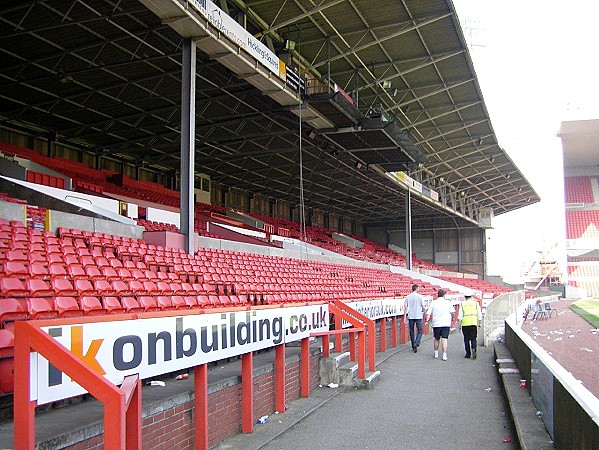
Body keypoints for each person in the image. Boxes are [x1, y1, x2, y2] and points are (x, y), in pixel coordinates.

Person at [426, 289, 455, 361]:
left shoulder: (433, 303)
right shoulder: (448, 302)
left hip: (436, 324)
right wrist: (452, 318)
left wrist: (426, 321)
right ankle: (444, 355)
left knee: (436, 338)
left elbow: (428, 313)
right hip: (445, 323)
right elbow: (453, 312)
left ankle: (436, 353)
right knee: (444, 339)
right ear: (444, 295)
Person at [458, 295, 482, 359]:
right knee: (473, 338)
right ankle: (474, 348)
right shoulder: (476, 304)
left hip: (465, 323)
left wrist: (459, 325)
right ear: (471, 297)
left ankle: (468, 354)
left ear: (465, 297)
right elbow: (479, 314)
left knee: (466, 339)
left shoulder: (462, 304)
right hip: (473, 323)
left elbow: (460, 316)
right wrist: (479, 323)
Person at [404, 284, 425, 353]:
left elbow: (405, 307)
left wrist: (404, 316)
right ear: (417, 289)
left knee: (411, 331)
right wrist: (425, 312)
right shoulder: (420, 297)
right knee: (420, 330)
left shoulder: (408, 297)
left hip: (411, 316)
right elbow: (423, 306)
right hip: (418, 315)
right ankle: (417, 342)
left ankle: (413, 345)